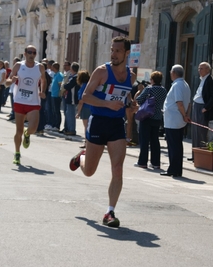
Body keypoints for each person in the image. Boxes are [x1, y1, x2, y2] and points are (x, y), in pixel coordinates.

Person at [69, 36, 136, 228]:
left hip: (116, 124)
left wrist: (131, 104)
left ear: (126, 53)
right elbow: (85, 96)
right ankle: (81, 158)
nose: (113, 54)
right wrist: (107, 104)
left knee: (118, 168)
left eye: (117, 51)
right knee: (89, 171)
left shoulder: (131, 76)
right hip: (98, 122)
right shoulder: (102, 71)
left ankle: (110, 212)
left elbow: (126, 95)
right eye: (112, 50)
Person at [7, 45, 46, 165]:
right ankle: (17, 153)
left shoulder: (40, 67)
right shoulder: (19, 66)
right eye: (29, 52)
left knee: (33, 128)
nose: (32, 55)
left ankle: (27, 133)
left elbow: (44, 80)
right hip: (19, 100)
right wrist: (11, 81)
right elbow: (7, 81)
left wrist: (42, 91)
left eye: (34, 53)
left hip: (33, 101)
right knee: (18, 130)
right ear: (25, 53)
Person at [160, 65, 191, 176]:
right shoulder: (185, 84)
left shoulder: (177, 85)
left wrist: (184, 115)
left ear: (173, 73)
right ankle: (175, 169)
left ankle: (173, 169)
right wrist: (186, 114)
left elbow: (180, 103)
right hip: (177, 119)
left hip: (174, 120)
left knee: (173, 146)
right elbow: (188, 103)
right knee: (177, 145)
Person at [134, 71, 167, 169]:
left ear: (152, 80)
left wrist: (140, 91)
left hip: (147, 117)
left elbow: (139, 100)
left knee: (144, 140)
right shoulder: (164, 90)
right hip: (157, 117)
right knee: (155, 140)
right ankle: (155, 163)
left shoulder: (149, 89)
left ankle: (142, 161)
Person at [189, 62, 213, 161]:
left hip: (202, 108)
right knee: (195, 131)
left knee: (201, 132)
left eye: (201, 68)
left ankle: (200, 155)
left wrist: (206, 107)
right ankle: (194, 154)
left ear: (207, 70)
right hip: (196, 105)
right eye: (199, 68)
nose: (199, 70)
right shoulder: (201, 80)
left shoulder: (211, 81)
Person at [75, 70, 91, 148]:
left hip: (85, 108)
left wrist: (78, 112)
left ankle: (87, 142)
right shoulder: (90, 85)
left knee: (86, 127)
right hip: (92, 107)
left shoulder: (83, 87)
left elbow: (81, 101)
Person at [50, 62, 64, 131]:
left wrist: (59, 94)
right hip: (53, 95)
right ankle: (54, 124)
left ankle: (57, 125)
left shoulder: (59, 75)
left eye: (52, 67)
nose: (51, 68)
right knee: (54, 111)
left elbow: (60, 86)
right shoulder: (55, 75)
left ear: (54, 67)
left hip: (57, 96)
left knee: (57, 111)